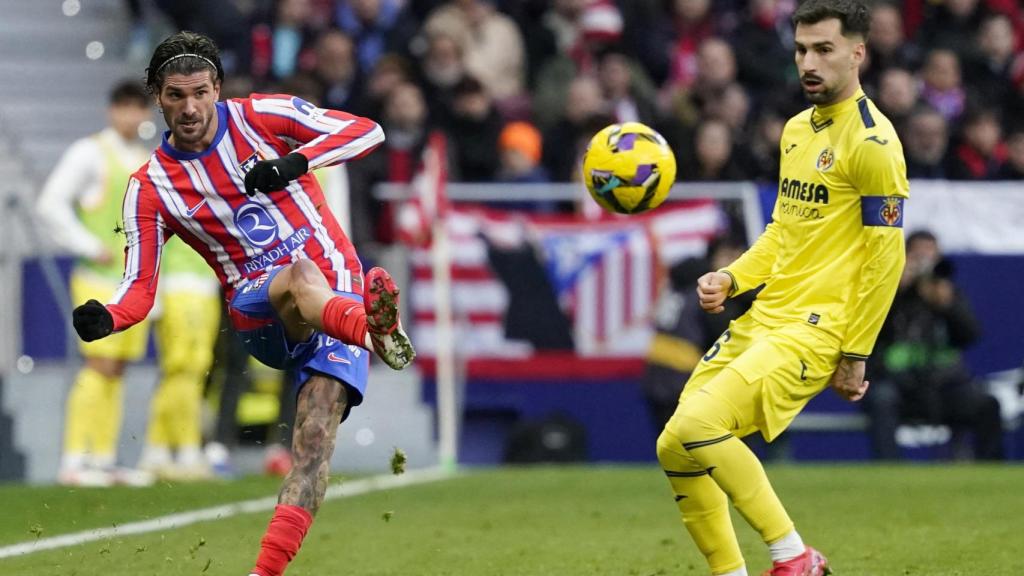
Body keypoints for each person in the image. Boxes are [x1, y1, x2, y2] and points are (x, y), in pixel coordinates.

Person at [68, 31, 415, 576]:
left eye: (200, 93)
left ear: (218, 89)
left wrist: (294, 163)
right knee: (299, 273)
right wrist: (108, 315)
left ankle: (264, 572)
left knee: (315, 442)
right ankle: (375, 333)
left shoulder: (262, 116)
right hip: (259, 306)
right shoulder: (151, 186)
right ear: (157, 96)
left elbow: (366, 131)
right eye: (176, 95)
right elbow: (139, 286)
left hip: (339, 291)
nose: (190, 108)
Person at [654, 2, 909, 575]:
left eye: (824, 49)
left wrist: (857, 352)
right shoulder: (798, 130)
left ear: (857, 52)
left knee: (699, 427)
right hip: (765, 317)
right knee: (673, 445)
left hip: (816, 330)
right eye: (801, 50)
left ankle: (795, 557)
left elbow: (885, 259)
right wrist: (733, 277)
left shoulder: (874, 144)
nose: (808, 63)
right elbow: (783, 232)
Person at [37, 81, 156, 487]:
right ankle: (74, 459)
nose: (131, 116)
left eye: (138, 108)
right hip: (96, 278)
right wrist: (87, 244)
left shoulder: (143, 158)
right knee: (98, 365)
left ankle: (102, 459)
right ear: (112, 110)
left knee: (117, 369)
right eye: (124, 107)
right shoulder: (90, 152)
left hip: (129, 283)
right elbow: (50, 204)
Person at [864, 230, 1003, 461]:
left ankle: (991, 473)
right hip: (898, 384)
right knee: (881, 399)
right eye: (918, 256)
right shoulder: (888, 293)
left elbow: (970, 335)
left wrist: (947, 306)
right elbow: (871, 331)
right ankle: (887, 470)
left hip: (944, 384)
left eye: (931, 256)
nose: (924, 264)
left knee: (987, 405)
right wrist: (895, 290)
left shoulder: (947, 293)